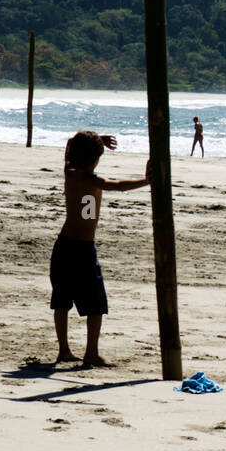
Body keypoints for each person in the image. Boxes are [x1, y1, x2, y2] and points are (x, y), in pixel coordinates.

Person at [50, 130, 150, 367]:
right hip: (83, 249)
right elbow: (119, 186)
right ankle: (91, 352)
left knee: (62, 301)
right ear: (95, 158)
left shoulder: (70, 173)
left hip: (64, 246)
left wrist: (95, 141)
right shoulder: (91, 180)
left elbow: (68, 147)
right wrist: (146, 181)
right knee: (95, 303)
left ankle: (64, 350)